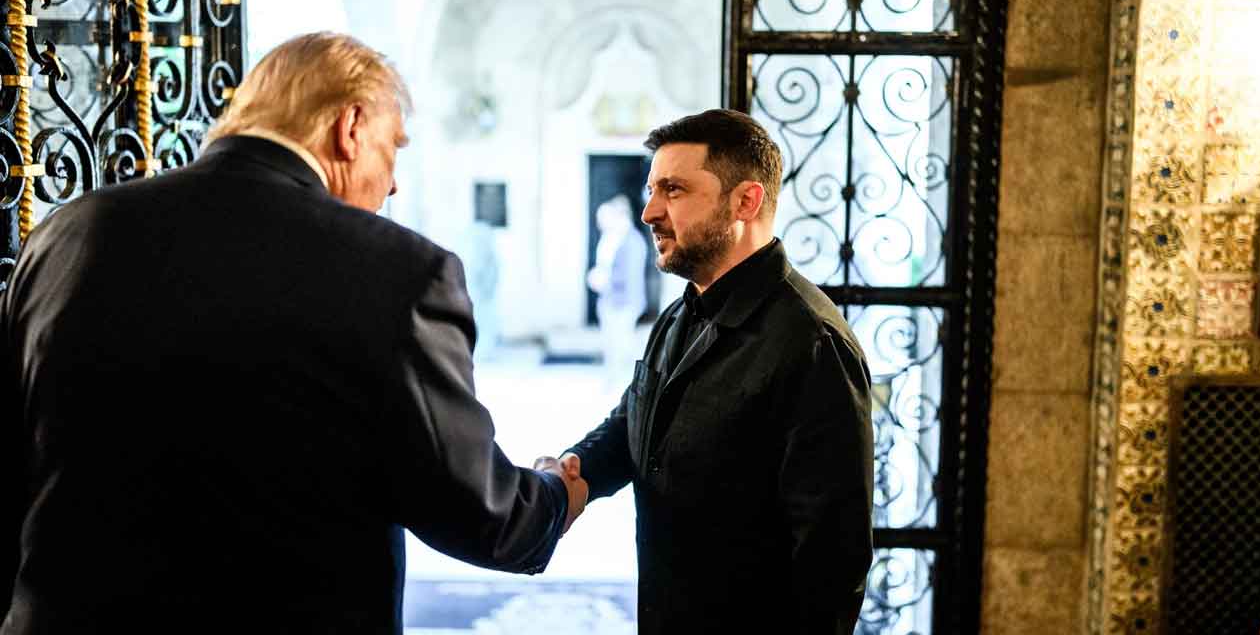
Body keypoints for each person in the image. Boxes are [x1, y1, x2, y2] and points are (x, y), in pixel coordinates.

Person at [0, 33, 587, 634]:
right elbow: (482, 515)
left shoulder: (65, 235)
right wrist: (554, 493)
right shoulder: (400, 272)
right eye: (394, 149)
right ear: (351, 126)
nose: (392, 185)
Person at [558, 108, 875, 633]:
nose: (649, 212)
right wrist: (572, 470)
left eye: (674, 190)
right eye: (652, 190)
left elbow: (832, 563)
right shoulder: (681, 311)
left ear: (745, 201)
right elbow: (635, 422)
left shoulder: (811, 343)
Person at [587, 194, 649, 393]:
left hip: (622, 303)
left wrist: (604, 282)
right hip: (611, 300)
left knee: (622, 344)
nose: (601, 223)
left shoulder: (632, 241)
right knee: (613, 343)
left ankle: (627, 383)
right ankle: (614, 380)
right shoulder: (612, 238)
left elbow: (629, 277)